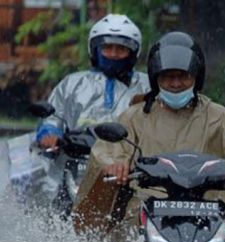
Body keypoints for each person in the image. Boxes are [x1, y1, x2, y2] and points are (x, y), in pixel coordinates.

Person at [72, 32, 225, 242]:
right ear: (155, 77)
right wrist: (115, 165)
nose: (176, 84)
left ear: (196, 77)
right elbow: (111, 148)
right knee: (125, 225)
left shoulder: (219, 117)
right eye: (168, 77)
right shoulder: (135, 116)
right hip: (149, 201)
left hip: (212, 202)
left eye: (183, 76)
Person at [35, 14, 149, 148]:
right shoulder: (72, 84)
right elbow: (53, 117)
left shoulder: (146, 85)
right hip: (74, 160)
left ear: (132, 53)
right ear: (95, 50)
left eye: (121, 49)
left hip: (128, 162)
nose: (113, 54)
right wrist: (50, 134)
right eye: (107, 47)